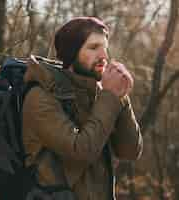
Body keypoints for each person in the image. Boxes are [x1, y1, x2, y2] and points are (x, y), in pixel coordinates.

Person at [22, 17, 143, 200]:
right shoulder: (40, 97)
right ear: (71, 54)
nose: (104, 56)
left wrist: (121, 96)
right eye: (93, 48)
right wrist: (110, 97)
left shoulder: (98, 95)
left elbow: (130, 151)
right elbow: (81, 151)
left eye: (105, 47)